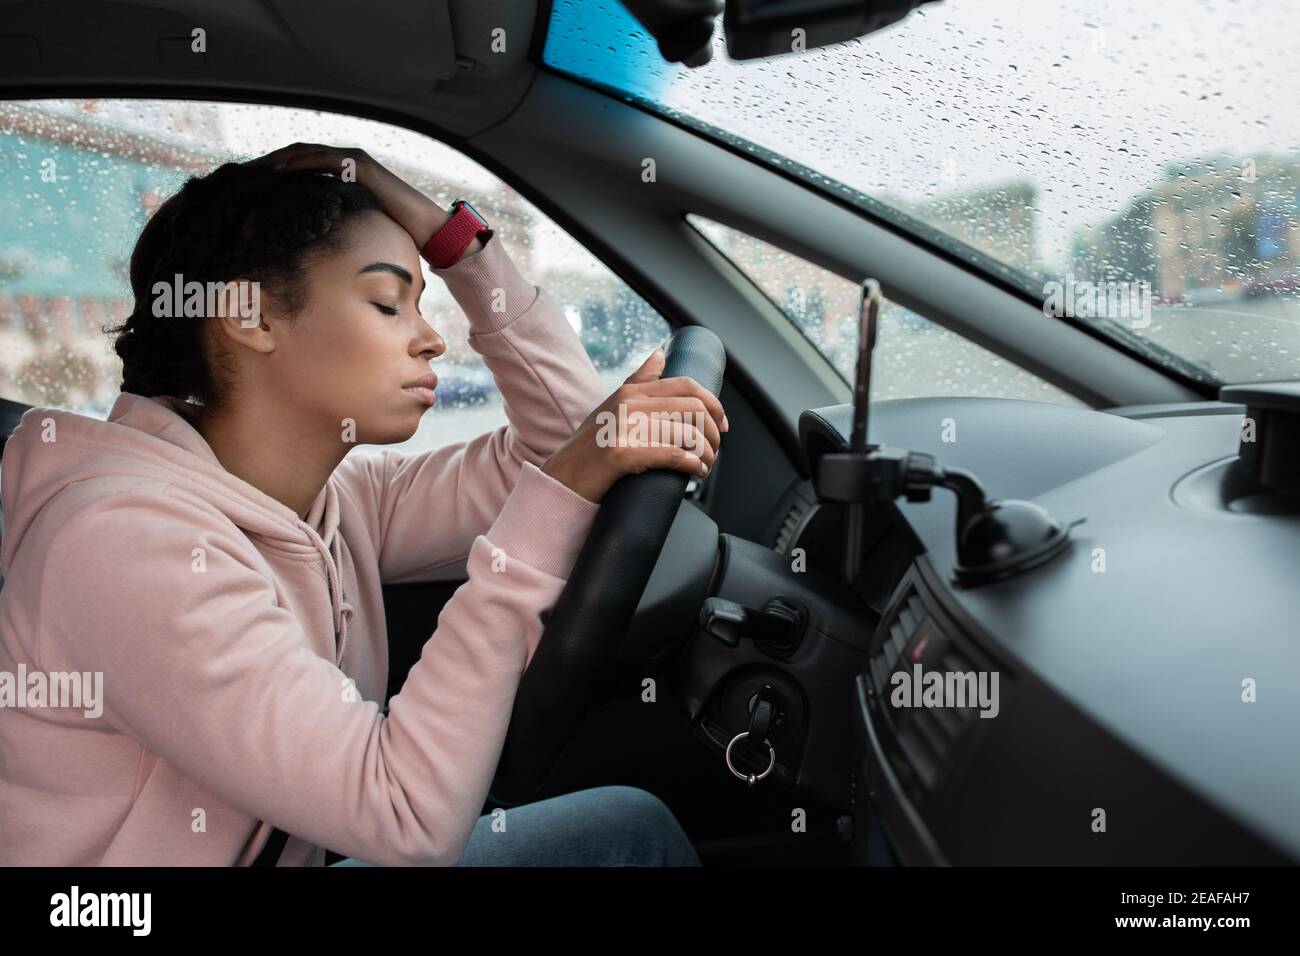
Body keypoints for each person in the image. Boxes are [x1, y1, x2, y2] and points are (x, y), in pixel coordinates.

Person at [0, 143, 725, 866]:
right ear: (247, 315)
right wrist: (560, 490)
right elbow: (403, 816)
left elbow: (572, 436)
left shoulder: (334, 499)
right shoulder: (124, 543)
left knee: (631, 831)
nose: (433, 339)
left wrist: (456, 244)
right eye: (387, 302)